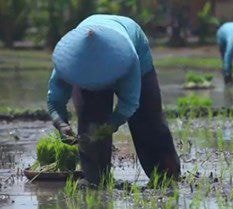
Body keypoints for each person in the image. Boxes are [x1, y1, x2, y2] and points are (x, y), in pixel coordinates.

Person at [47, 14, 180, 185]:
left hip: (130, 38)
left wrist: (111, 124)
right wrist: (61, 123)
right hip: (88, 34)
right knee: (91, 119)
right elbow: (54, 101)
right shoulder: (68, 63)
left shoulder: (129, 59)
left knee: (147, 119)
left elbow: (130, 103)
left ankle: (167, 176)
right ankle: (96, 180)